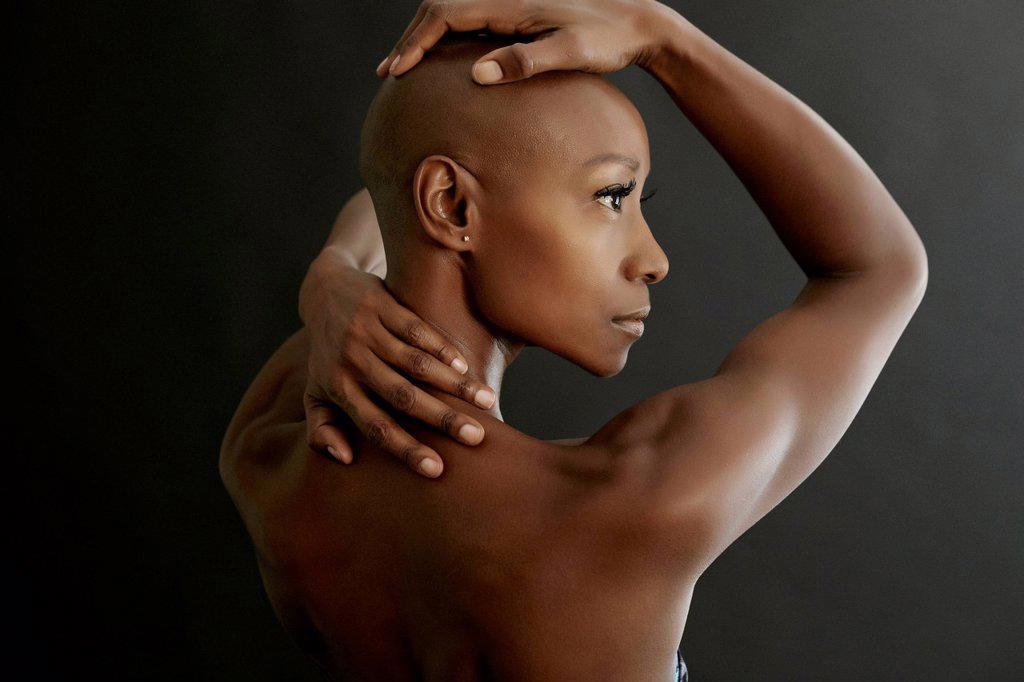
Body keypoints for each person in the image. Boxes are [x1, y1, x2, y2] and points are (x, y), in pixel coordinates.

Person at [220, 1, 928, 679]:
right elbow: (877, 268)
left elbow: (391, 197)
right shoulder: (628, 510)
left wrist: (333, 273)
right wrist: (663, 37)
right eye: (612, 197)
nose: (654, 258)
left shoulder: (265, 455)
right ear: (454, 206)